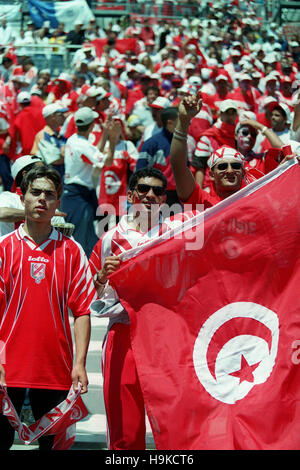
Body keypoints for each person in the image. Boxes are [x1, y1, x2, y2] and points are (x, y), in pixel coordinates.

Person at [89, 167, 197, 450]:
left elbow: (225, 211)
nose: (150, 195)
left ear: (164, 199)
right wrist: (102, 277)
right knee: (125, 432)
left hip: (167, 337)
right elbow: (89, 295)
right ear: (131, 194)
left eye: (158, 191)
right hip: (124, 336)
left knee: (176, 429)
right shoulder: (109, 239)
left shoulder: (178, 231)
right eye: (144, 189)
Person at [0, 165, 94, 451]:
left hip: (56, 368)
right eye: (35, 192)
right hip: (7, 369)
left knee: (53, 447)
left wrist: (79, 364)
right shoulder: (3, 248)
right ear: (22, 197)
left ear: (59, 201)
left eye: (49, 195)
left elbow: (82, 311)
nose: (42, 199)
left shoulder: (72, 250)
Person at [170, 93, 247, 209]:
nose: (230, 170)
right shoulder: (203, 202)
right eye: (222, 166)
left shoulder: (255, 199)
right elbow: (178, 165)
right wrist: (184, 121)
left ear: (243, 173)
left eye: (236, 166)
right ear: (211, 174)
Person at [61, 106, 113, 257]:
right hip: (78, 195)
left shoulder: (74, 139)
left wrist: (105, 134)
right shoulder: (83, 144)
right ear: (91, 125)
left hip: (76, 193)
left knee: (86, 238)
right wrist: (113, 139)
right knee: (79, 241)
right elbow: (107, 162)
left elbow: (94, 153)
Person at [136, 107, 181, 207]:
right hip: (157, 195)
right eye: (181, 120)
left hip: (180, 195)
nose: (188, 123)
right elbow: (140, 172)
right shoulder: (151, 144)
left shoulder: (184, 142)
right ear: (170, 123)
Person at [31, 102, 68, 178]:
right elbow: (54, 159)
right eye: (60, 114)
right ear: (52, 117)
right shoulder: (43, 135)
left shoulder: (59, 134)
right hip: (50, 180)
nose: (64, 116)